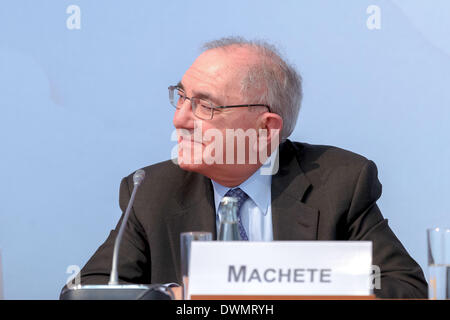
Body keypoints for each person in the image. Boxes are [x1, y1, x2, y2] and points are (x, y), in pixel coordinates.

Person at [68, 37, 427, 298]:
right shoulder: (151, 191)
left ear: (266, 128)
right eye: (181, 97)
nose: (179, 119)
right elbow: (85, 293)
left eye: (205, 106)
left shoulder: (339, 182)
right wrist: (176, 297)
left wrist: (264, 288)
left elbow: (404, 289)